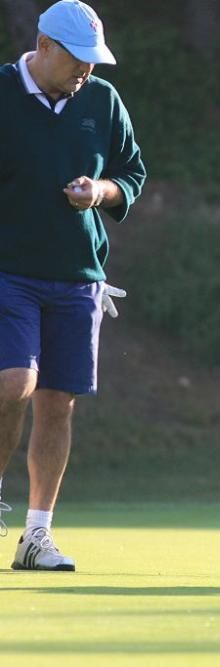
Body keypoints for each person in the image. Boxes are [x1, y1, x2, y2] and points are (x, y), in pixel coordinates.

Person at [0, 0, 146, 570]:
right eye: (78, 58)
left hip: (79, 276)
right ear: (44, 46)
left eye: (93, 59)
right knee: (15, 382)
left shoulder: (102, 100)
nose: (87, 69)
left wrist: (101, 192)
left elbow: (131, 172)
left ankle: (37, 536)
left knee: (57, 403)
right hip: (8, 271)